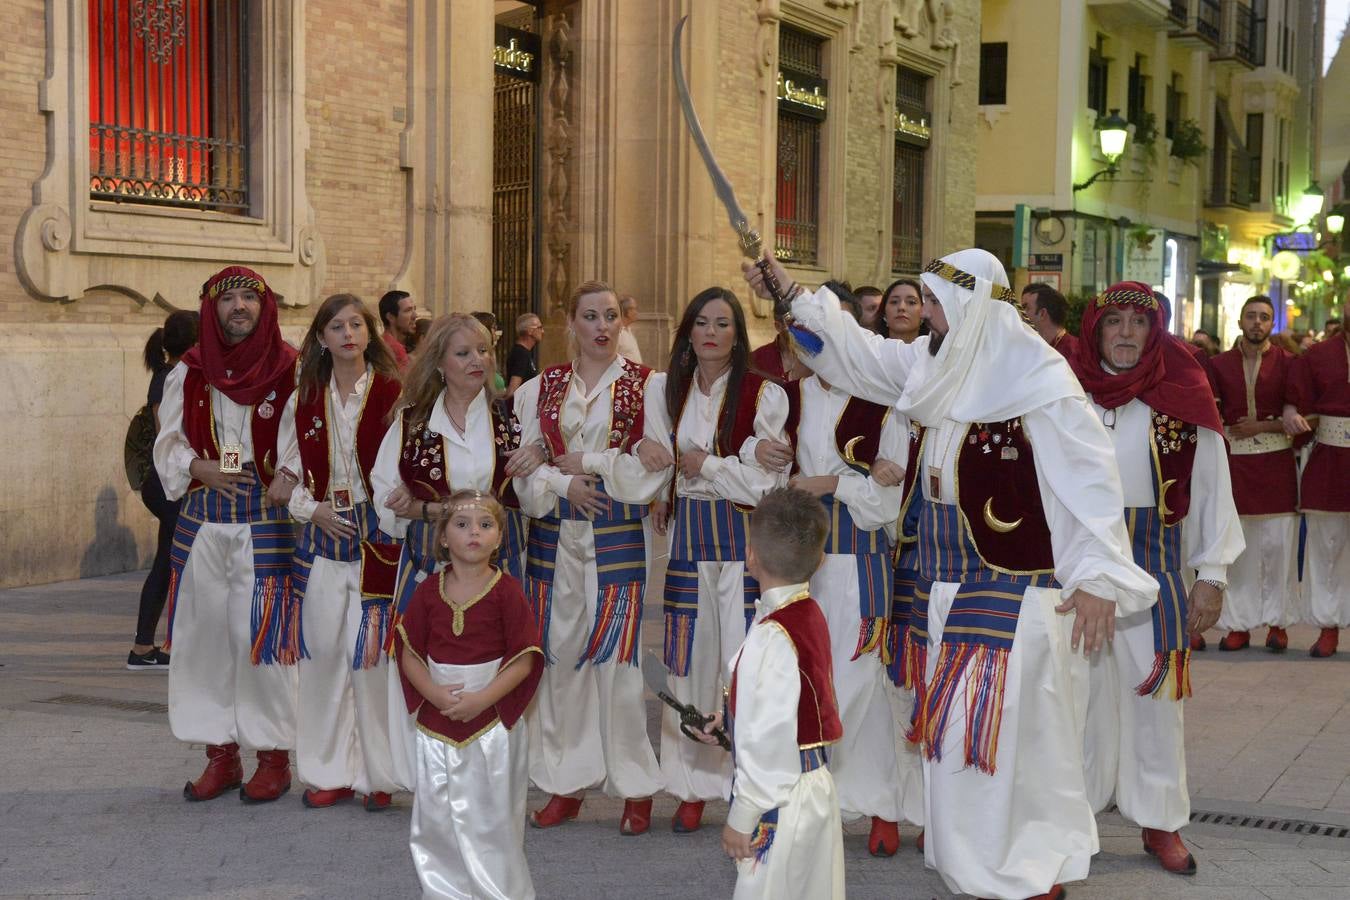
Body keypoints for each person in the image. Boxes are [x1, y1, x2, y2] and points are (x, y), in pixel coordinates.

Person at [744, 248, 1157, 900]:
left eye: (937, 304)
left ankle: (1028, 869)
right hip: (939, 582)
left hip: (1013, 591)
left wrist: (1100, 575)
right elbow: (856, 354)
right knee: (957, 741)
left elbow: (1087, 479)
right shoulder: (935, 367)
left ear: (970, 306)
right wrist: (791, 293)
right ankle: (978, 870)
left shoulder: (1039, 381)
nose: (926, 317)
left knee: (1007, 735)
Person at [1072, 281, 1243, 876]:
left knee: (1155, 700)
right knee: (1079, 701)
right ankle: (1076, 822)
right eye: (1113, 321)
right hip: (1080, 567)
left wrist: (1212, 574)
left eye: (1137, 322)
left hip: (1156, 564)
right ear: (1095, 329)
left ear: (1156, 329)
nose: (1124, 333)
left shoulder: (1184, 386)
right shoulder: (1066, 389)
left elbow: (1215, 483)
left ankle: (1161, 822)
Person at [513, 280, 672, 834]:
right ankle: (563, 781)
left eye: (611, 316)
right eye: (590, 317)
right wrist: (563, 482)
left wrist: (597, 464)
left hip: (616, 534)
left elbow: (653, 470)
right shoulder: (540, 388)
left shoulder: (648, 387)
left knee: (619, 665)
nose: (603, 327)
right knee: (560, 659)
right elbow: (523, 469)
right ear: (571, 325)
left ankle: (634, 787)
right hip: (555, 535)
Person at [633, 287, 789, 834]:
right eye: (701, 322)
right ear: (688, 332)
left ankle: (750, 782)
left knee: (742, 662)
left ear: (738, 333)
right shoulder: (665, 388)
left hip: (743, 537)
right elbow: (655, 454)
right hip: (687, 535)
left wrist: (709, 465)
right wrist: (655, 464)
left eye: (723, 323)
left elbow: (768, 483)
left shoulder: (764, 393)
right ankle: (692, 784)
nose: (711, 333)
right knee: (689, 658)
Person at [371, 313, 543, 789]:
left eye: (484, 351)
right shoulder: (412, 422)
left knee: (497, 652)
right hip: (429, 561)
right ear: (440, 363)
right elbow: (386, 491)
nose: (477, 361)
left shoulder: (509, 417)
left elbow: (528, 492)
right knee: (422, 653)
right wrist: (412, 509)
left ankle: (492, 767)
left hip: (497, 563)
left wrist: (541, 460)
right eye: (463, 353)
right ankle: (425, 769)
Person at [153, 265, 302, 804]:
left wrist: (285, 479)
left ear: (266, 309)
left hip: (264, 522)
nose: (239, 306)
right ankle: (220, 754)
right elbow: (167, 442)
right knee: (204, 641)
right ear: (211, 309)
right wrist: (201, 468)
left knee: (259, 639)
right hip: (203, 524)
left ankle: (273, 758)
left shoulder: (291, 369)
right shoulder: (190, 372)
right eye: (228, 298)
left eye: (248, 298)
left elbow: (303, 440)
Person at [781, 340, 922, 855]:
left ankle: (882, 805)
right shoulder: (786, 399)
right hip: (800, 560)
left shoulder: (883, 404)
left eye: (823, 337)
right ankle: (818, 799)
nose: (814, 349)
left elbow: (885, 505)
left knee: (864, 682)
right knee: (811, 682)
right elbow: (771, 478)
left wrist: (826, 484)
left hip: (858, 559)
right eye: (802, 340)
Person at [275, 293, 403, 811]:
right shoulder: (303, 397)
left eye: (355, 324)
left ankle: (379, 775)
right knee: (325, 654)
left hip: (378, 532)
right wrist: (312, 509)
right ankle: (328, 771)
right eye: (336, 326)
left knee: (373, 658)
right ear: (321, 338)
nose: (347, 333)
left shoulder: (396, 392)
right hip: (324, 529)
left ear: (369, 333)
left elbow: (406, 466)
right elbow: (284, 471)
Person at [695, 487, 844, 900]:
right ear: (820, 560)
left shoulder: (771, 634)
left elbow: (769, 741)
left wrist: (743, 816)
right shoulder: (805, 613)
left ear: (751, 557)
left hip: (780, 796)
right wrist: (730, 721)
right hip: (811, 786)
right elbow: (791, 705)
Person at [394, 490, 543, 899]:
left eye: (485, 525)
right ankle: (444, 891)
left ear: (499, 538)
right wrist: (433, 694)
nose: (473, 533)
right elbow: (409, 652)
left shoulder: (507, 591)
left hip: (492, 727)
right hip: (436, 724)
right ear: (443, 538)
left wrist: (483, 699)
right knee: (437, 818)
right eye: (461, 525)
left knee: (491, 818)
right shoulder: (427, 592)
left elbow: (525, 659)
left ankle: (499, 891)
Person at [1206, 296, 1301, 652]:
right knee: (1239, 550)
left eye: (1264, 317)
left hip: (1276, 468)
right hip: (1236, 468)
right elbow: (1210, 413)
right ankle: (1238, 625)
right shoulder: (1218, 365)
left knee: (1278, 547)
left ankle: (1278, 623)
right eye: (1251, 316)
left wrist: (1263, 424)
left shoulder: (1290, 364)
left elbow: (1299, 413)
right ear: (1240, 321)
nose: (1257, 323)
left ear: (1272, 324)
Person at [129, 309, 199, 670]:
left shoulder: (176, 374)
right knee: (188, 561)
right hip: (169, 484)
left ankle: (143, 648)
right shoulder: (171, 377)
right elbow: (167, 436)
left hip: (176, 483)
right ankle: (175, 645)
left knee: (165, 561)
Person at [1288, 326, 1350, 658]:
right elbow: (1298, 401)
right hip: (1329, 463)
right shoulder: (1317, 355)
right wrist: (1290, 412)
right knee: (1327, 549)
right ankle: (1329, 627)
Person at [1021, 283, 1079, 361]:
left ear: (1042, 313)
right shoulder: (1032, 349)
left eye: (1026, 308)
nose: (1021, 314)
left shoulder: (1076, 353)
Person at [505, 312, 544, 398]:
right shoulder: (521, 354)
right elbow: (512, 390)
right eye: (540, 327)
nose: (542, 331)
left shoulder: (524, 352)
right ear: (530, 331)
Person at [378, 290, 416, 372]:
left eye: (414, 309)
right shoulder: (392, 349)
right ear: (390, 317)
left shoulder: (385, 343)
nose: (415, 316)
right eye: (408, 310)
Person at [617, 293, 643, 363]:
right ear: (627, 311)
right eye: (634, 309)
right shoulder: (618, 333)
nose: (636, 312)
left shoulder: (629, 331)